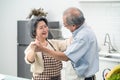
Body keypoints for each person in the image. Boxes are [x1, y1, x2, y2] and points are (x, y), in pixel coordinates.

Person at [35, 7, 99, 80]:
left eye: (66, 25)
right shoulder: (85, 29)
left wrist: (42, 49)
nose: (65, 27)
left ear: (74, 25)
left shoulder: (82, 36)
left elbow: (65, 57)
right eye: (41, 28)